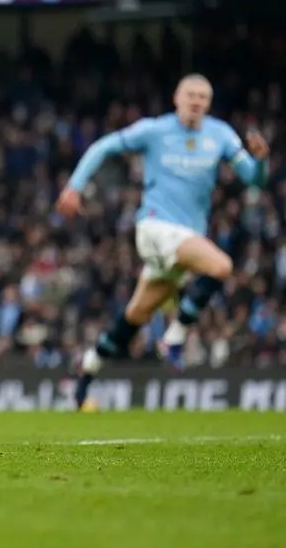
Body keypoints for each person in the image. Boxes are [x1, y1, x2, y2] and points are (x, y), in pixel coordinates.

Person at [57, 74, 269, 408]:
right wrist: (74, 186)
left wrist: (260, 161)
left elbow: (254, 181)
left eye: (203, 96)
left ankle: (86, 371)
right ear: (176, 98)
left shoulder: (221, 135)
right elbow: (103, 146)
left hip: (185, 240)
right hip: (155, 228)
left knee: (135, 316)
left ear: (209, 103)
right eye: (191, 95)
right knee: (221, 267)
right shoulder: (155, 130)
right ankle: (175, 337)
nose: (196, 101)